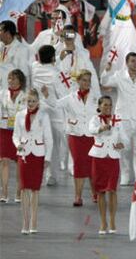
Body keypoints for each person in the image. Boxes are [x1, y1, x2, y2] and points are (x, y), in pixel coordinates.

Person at [43, 69, 99, 206]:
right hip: (76, 135)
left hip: (92, 135)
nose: (87, 83)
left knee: (92, 164)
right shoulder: (70, 98)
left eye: (88, 80)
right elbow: (55, 104)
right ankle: (78, 197)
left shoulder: (96, 97)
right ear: (78, 81)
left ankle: (95, 193)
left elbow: (102, 112)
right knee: (79, 165)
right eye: (84, 80)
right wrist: (47, 94)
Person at [101, 52, 136, 186]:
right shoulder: (119, 76)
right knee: (124, 147)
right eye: (132, 61)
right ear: (127, 63)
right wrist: (107, 70)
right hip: (124, 118)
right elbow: (104, 82)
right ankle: (126, 175)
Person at [12, 89, 53, 234]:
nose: (31, 104)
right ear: (25, 101)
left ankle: (34, 221)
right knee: (24, 188)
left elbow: (49, 138)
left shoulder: (44, 116)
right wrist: (18, 145)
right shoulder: (19, 115)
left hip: (38, 154)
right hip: (23, 155)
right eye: (29, 101)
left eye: (34, 101)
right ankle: (25, 221)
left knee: (35, 189)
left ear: (38, 102)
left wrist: (47, 158)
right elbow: (15, 135)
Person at [89, 96, 128, 234]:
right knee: (100, 191)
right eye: (105, 105)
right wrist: (101, 128)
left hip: (113, 157)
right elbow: (91, 130)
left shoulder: (117, 120)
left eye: (110, 105)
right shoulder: (94, 119)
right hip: (98, 157)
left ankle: (112, 221)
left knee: (112, 190)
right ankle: (103, 222)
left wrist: (122, 144)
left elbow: (125, 138)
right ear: (99, 106)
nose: (108, 107)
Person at [31, 45, 68, 186]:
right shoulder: (56, 74)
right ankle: (52, 176)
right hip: (54, 113)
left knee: (39, 143)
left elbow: (46, 63)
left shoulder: (34, 67)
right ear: (53, 57)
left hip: (39, 111)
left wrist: (58, 58)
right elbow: (62, 95)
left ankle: (37, 175)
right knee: (54, 145)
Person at [98, 0, 136, 74]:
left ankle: (132, 74)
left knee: (133, 48)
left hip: (128, 23)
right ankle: (106, 77)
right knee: (112, 51)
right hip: (116, 22)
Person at [0, 69, 26, 203]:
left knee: (19, 162)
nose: (11, 81)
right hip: (4, 130)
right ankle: (4, 192)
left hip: (20, 132)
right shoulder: (2, 93)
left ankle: (18, 191)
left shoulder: (25, 96)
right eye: (9, 78)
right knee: (4, 161)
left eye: (14, 79)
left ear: (20, 81)